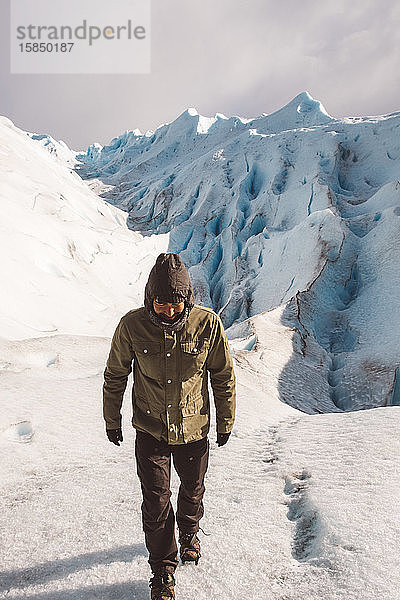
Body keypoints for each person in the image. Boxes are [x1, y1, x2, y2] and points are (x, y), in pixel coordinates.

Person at [103, 253, 236, 600]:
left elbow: (222, 375)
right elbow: (116, 375)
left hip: (194, 430)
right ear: (150, 298)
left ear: (187, 298)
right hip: (150, 430)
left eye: (176, 303)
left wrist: (225, 420)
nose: (168, 311)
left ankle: (189, 532)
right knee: (156, 500)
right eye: (161, 303)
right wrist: (112, 419)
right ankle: (163, 569)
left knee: (191, 493)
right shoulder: (131, 326)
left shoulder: (208, 324)